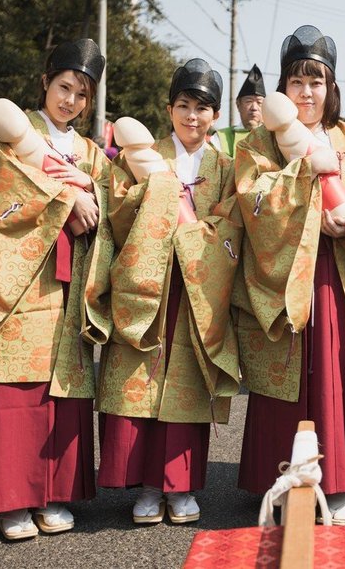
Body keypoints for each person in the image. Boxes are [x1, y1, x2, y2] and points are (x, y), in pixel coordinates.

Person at [0, 39, 112, 539]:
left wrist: (94, 198)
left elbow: (109, 204)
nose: (71, 101)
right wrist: (64, 197)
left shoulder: (90, 152)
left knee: (63, 389)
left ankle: (55, 492)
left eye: (82, 94)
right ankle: (12, 499)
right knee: (15, 389)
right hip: (17, 281)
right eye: (64, 87)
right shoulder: (9, 131)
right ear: (45, 81)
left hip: (70, 281)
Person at [233, 25, 345, 524]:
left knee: (336, 370)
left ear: (332, 89)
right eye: (297, 81)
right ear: (283, 87)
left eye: (317, 82)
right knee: (286, 371)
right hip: (285, 274)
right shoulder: (258, 144)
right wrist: (307, 190)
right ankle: (281, 477)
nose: (307, 92)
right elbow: (252, 199)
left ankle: (340, 479)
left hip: (342, 277)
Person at [97, 58, 243, 525]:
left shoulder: (225, 166)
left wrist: (198, 235)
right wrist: (155, 196)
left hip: (199, 287)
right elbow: (116, 209)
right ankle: (143, 485)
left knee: (186, 383)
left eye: (202, 108)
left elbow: (231, 222)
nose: (192, 116)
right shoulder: (144, 156)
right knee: (140, 378)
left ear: (216, 116)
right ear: (169, 108)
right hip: (150, 283)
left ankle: (179, 486)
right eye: (183, 105)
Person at [214, 64, 265, 156]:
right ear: (238, 104)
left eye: (259, 102)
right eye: (249, 101)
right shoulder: (220, 137)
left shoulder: (274, 137)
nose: (254, 108)